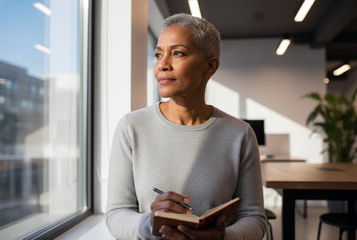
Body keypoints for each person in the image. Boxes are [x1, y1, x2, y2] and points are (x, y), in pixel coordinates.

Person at [105, 13, 267, 240]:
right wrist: (148, 224)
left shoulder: (240, 134)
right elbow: (115, 214)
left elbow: (255, 219)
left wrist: (222, 238)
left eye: (177, 53)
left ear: (210, 66)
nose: (162, 64)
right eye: (158, 54)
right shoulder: (131, 127)